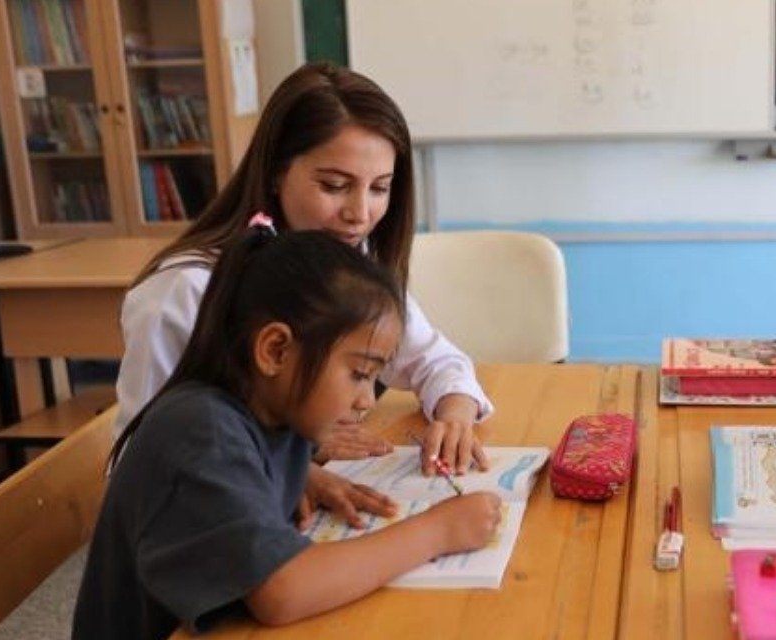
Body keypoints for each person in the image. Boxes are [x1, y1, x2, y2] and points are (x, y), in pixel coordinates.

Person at [74, 229, 502, 639]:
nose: (366, 400)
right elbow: (281, 591)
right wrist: (437, 532)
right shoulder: (202, 429)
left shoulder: (277, 414)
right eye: (358, 373)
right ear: (275, 350)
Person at [115, 62, 492, 490]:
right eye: (334, 186)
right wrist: (297, 460)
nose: (360, 214)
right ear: (276, 172)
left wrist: (455, 415)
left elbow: (435, 360)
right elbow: (141, 459)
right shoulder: (183, 292)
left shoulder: (347, 264)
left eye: (379, 188)